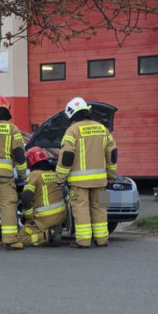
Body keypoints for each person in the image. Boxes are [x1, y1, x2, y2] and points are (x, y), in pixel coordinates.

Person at [54, 97, 118, 248]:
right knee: (101, 208)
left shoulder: (72, 131)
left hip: (79, 182)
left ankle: (83, 241)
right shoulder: (102, 128)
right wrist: (111, 175)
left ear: (71, 114)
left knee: (80, 208)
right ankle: (102, 239)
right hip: (101, 181)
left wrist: (60, 178)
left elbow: (67, 156)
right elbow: (112, 153)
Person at [0, 95, 28, 250]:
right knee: (7, 205)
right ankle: (9, 240)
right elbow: (19, 155)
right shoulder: (13, 129)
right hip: (5, 175)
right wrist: (22, 175)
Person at [17, 146, 66, 247]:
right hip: (61, 216)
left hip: (45, 218)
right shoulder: (53, 173)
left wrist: (29, 218)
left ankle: (48, 236)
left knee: (19, 238)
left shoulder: (34, 175)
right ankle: (52, 229)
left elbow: (26, 198)